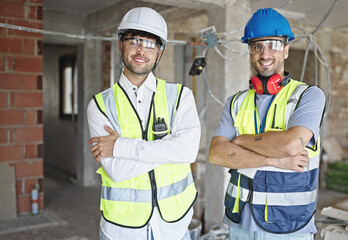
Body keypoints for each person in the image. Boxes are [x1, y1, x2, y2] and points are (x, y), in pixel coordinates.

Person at [209, 8, 325, 240]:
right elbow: (216, 154)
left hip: (289, 224)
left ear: (286, 49)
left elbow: (291, 145)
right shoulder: (236, 102)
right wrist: (274, 160)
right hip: (240, 220)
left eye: (273, 44)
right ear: (250, 52)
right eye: (257, 46)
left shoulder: (309, 96)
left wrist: (240, 141)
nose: (265, 53)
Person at [87, 7, 200, 240]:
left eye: (150, 44)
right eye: (134, 41)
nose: (141, 50)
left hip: (175, 229)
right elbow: (117, 171)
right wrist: (170, 149)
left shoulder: (180, 97)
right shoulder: (99, 106)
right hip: (121, 231)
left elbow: (188, 152)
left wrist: (120, 147)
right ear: (121, 45)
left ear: (159, 52)